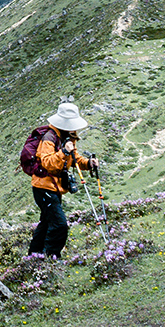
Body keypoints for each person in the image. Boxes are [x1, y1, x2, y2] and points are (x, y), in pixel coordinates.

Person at [28, 101, 99, 259]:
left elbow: (74, 159)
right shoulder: (49, 138)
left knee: (46, 222)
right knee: (59, 224)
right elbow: (47, 163)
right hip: (43, 187)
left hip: (54, 188)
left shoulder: (67, 137)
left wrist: (88, 163)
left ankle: (33, 257)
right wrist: (63, 152)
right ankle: (51, 257)